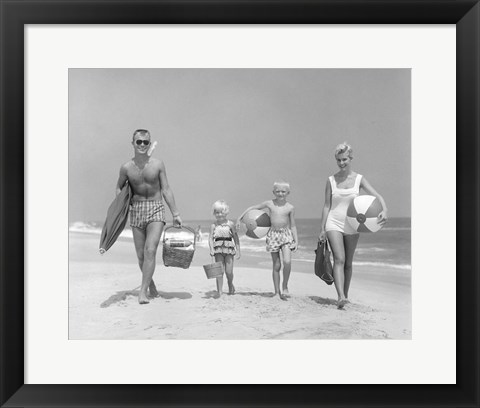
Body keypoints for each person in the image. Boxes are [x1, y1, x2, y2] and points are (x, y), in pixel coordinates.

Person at [116, 129, 182, 304]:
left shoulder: (158, 164)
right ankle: (151, 285)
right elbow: (119, 188)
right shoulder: (126, 168)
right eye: (139, 142)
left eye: (146, 142)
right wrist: (120, 208)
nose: (143, 145)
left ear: (149, 143)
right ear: (133, 144)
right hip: (136, 209)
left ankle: (142, 292)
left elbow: (166, 189)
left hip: (155, 208)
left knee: (150, 250)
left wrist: (175, 213)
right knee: (140, 255)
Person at [318, 142, 387, 309]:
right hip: (333, 222)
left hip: (353, 225)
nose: (341, 163)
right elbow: (327, 205)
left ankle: (345, 296)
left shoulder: (359, 179)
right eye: (338, 160)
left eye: (344, 160)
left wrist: (384, 210)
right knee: (339, 259)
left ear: (351, 158)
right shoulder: (331, 180)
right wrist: (322, 228)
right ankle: (340, 296)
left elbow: (377, 195)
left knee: (348, 262)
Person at [236, 181, 298, 301]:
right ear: (273, 192)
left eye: (283, 191)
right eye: (278, 191)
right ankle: (276, 292)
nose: (280, 193)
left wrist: (296, 241)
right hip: (273, 235)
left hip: (285, 235)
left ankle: (285, 286)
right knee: (276, 264)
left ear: (288, 193)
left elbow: (293, 225)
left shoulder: (290, 208)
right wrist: (240, 217)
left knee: (287, 261)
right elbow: (253, 208)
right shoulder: (269, 204)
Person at [208, 200, 241, 297]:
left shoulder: (230, 224)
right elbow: (210, 238)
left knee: (229, 272)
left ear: (226, 212)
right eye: (217, 212)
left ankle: (230, 284)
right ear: (214, 213)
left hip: (229, 249)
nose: (219, 214)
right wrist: (211, 249)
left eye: (221, 212)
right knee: (219, 271)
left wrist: (238, 250)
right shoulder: (213, 225)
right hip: (218, 250)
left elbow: (235, 237)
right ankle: (220, 291)